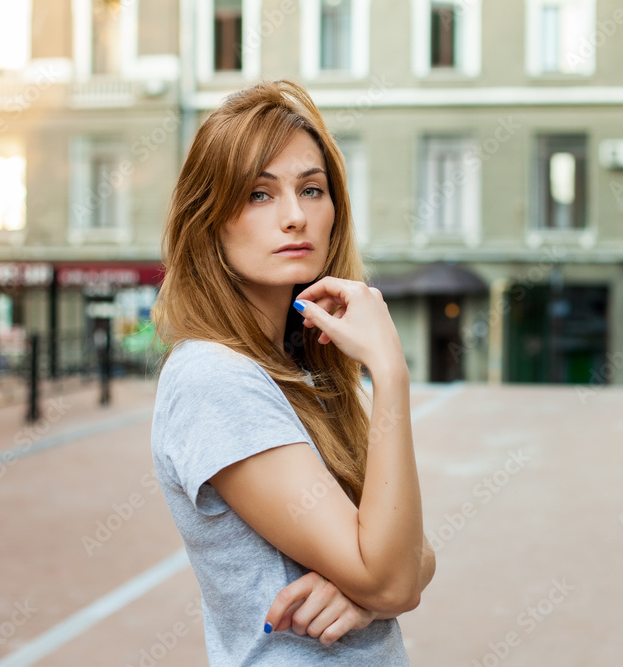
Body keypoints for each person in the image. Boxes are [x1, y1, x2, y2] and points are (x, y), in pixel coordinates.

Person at [149, 79, 436, 665]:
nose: (294, 217)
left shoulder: (301, 370)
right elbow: (396, 577)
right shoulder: (216, 379)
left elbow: (411, 554)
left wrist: (363, 589)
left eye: (312, 189)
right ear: (208, 219)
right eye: (259, 194)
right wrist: (390, 372)